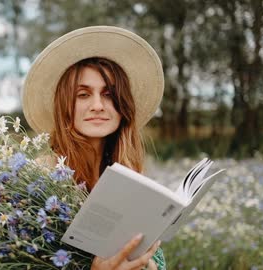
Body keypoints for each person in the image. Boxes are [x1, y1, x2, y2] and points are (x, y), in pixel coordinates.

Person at [22, 26, 165, 270]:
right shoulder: (38, 179)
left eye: (109, 94)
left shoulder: (131, 178)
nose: (98, 105)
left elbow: (157, 262)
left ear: (123, 106)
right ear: (65, 105)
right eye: (83, 94)